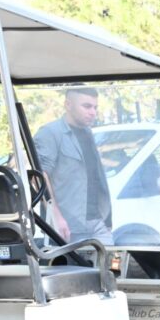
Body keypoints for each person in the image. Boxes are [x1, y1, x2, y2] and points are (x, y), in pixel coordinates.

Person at [34, 87, 113, 245]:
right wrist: (56, 216)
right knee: (76, 269)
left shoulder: (88, 133)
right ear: (68, 105)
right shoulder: (50, 133)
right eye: (86, 106)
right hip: (68, 226)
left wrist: (108, 219)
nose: (92, 112)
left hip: (97, 222)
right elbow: (38, 177)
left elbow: (95, 179)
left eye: (95, 107)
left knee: (110, 268)